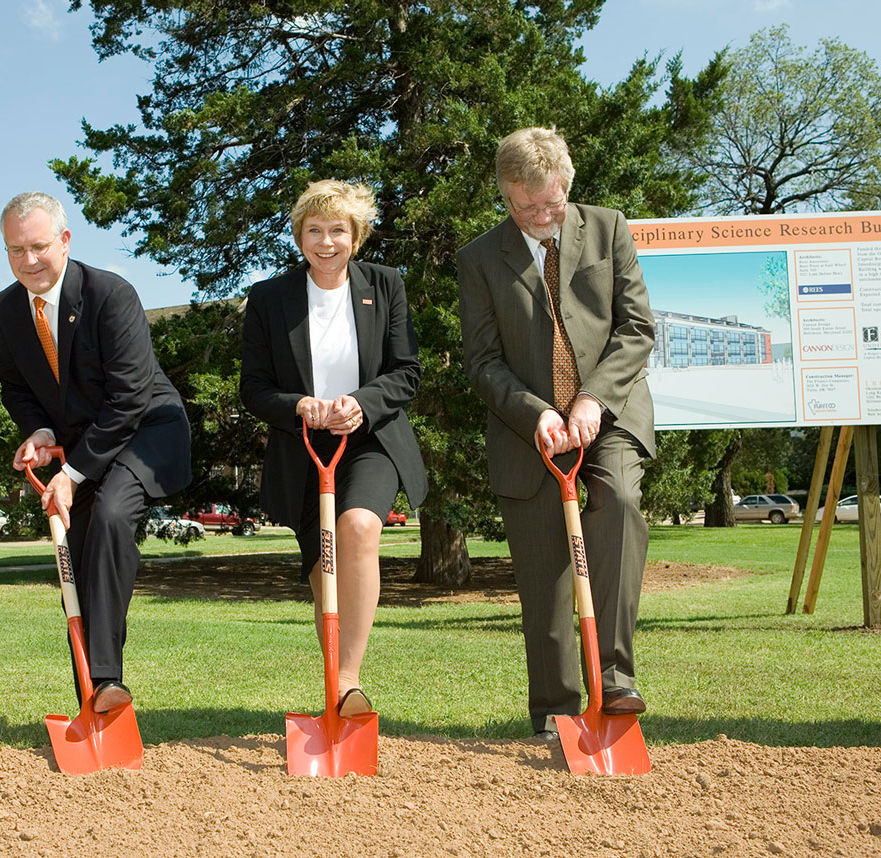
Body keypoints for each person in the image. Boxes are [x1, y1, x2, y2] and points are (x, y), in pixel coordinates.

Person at [456, 126, 656, 739]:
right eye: (527, 207)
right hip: (529, 429)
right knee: (544, 569)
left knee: (618, 503)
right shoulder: (479, 259)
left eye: (552, 202)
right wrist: (536, 412)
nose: (543, 217)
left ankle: (615, 680)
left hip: (610, 414)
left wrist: (592, 399)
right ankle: (555, 708)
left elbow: (636, 328)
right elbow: (482, 361)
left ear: (566, 186)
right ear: (505, 196)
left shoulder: (608, 226)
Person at [0, 191, 191, 714]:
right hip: (86, 443)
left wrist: (73, 474)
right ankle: (92, 695)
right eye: (15, 250)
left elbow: (128, 398)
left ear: (64, 240)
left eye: (38, 246)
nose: (28, 261)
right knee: (75, 560)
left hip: (148, 431)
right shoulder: (6, 308)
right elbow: (17, 387)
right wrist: (36, 430)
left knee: (108, 515)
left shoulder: (110, 294)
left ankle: (105, 682)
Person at [240, 179, 427, 716]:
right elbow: (253, 387)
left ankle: (348, 683)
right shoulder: (270, 298)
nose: (326, 242)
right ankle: (332, 679)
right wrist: (300, 404)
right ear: (299, 236)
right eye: (314, 230)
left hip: (370, 438)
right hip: (303, 449)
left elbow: (406, 372)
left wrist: (361, 403)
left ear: (357, 236)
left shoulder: (385, 285)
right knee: (323, 566)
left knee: (359, 527)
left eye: (338, 231)